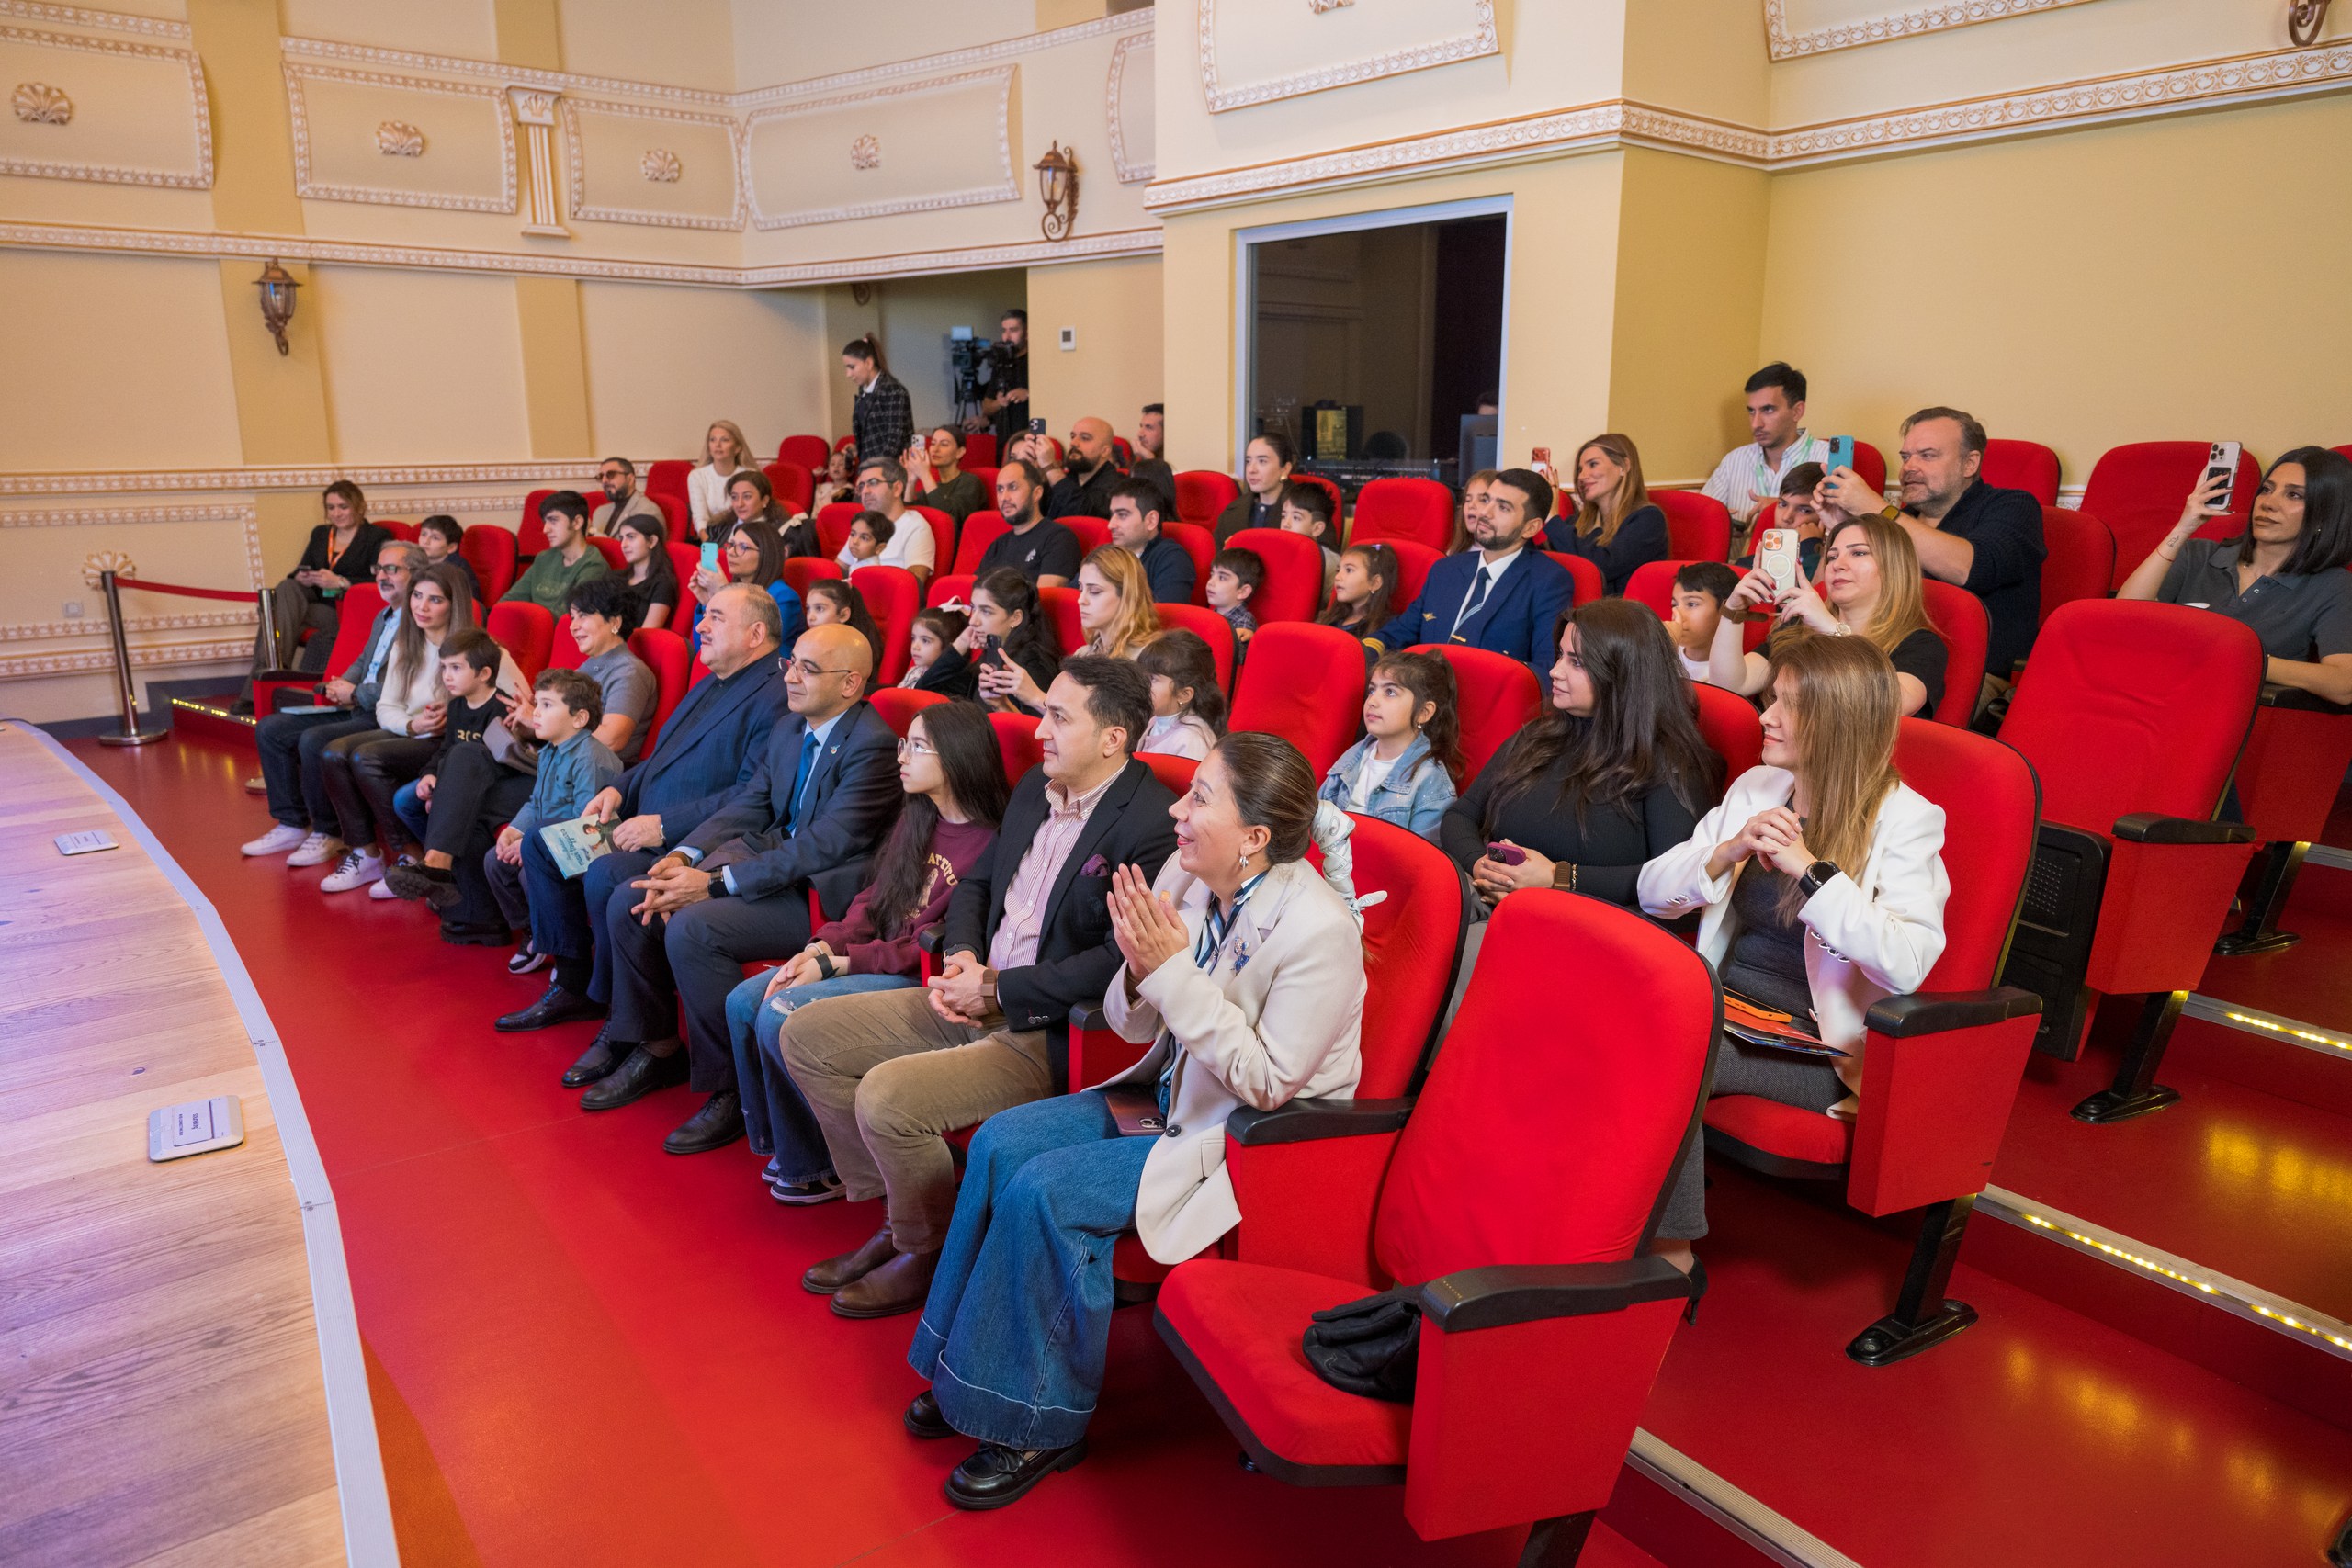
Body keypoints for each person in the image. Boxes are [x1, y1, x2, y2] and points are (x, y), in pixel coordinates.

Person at [900, 733, 1365, 1508]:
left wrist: (1172, 971)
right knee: (1001, 1143)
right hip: (1171, 1096)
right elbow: (1129, 1021)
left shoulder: (1318, 930)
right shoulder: (1189, 877)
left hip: (1241, 1139)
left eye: (1200, 798)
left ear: (1254, 836)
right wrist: (1140, 963)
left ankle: (1040, 1422)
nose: (1177, 811)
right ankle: (966, 1372)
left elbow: (1269, 1082)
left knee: (1048, 1191)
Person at [782, 659, 1178, 1318]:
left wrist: (999, 990)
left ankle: (926, 1247)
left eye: (1058, 717)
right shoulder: (1037, 786)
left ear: (1112, 738)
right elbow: (978, 886)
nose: (1039, 730)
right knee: (807, 1036)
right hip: (973, 989)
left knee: (887, 1097)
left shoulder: (1151, 822)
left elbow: (1120, 961)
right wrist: (964, 956)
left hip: (1044, 1026)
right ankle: (900, 1217)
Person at [1641, 635, 1949, 1264]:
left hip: (1815, 1047)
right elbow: (1652, 892)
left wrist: (1811, 871)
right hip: (1724, 1006)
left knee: (1672, 1048)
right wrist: (1725, 852)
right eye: (1771, 699)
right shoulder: (1759, 786)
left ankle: (1671, 1257)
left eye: (1788, 705)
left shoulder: (1908, 819)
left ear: (1837, 721)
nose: (1766, 717)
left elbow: (1907, 962)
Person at [587, 623, 903, 1152]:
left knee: (693, 928)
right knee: (636, 896)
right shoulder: (790, 726)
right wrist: (683, 855)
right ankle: (657, 1046)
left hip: (821, 897)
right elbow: (752, 803)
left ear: (850, 683)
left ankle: (733, 1088)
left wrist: (713, 883)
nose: (791, 677)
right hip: (770, 864)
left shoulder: (872, 746)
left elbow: (823, 846)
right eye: (791, 664)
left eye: (808, 669)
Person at [726, 702, 1010, 1204]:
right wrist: (823, 945)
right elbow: (874, 900)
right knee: (743, 1002)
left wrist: (841, 963)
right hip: (868, 956)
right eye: (904, 743)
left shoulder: (990, 843)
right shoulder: (918, 815)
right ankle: (797, 1149)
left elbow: (930, 944)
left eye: (917, 746)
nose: (902, 756)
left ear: (957, 757)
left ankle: (824, 1165)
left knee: (779, 1011)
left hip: (912, 974)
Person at [496, 583, 788, 1071]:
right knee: (542, 843)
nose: (700, 626)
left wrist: (665, 826)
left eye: (716, 617)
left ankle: (632, 1026)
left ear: (756, 633)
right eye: (704, 615)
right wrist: (620, 788)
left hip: (695, 841)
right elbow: (661, 757)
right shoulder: (714, 678)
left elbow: (750, 795)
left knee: (610, 877)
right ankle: (573, 984)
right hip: (642, 822)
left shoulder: (775, 695)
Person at [1441, 599, 1720, 912]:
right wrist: (1480, 865)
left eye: (1576, 662)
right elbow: (1460, 816)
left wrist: (1557, 878)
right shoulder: (1539, 736)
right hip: (1495, 909)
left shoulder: (1670, 765)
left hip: (1582, 927)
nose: (1554, 671)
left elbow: (1674, 883)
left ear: (1621, 674)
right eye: (1561, 655)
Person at [315, 565, 520, 897]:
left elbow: (519, 706)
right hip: (414, 733)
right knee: (332, 752)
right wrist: (413, 725)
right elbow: (386, 707)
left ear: (454, 605)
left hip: (452, 742)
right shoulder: (405, 643)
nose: (421, 606)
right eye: (417, 596)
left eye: (434, 599)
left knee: (366, 757)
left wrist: (451, 715)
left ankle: (410, 855)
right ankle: (365, 854)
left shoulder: (485, 651)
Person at [1819, 406, 2044, 683]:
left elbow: (1969, 568)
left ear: (1969, 463)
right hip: (1883, 662)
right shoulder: (1900, 518)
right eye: (1906, 457)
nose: (1909, 467)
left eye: (1927, 455)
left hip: (1970, 678)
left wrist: (1876, 507)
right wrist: (1836, 531)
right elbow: (1827, 597)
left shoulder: (2013, 506)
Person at [2118, 446, 2352, 705]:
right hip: (2149, 695)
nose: (2268, 503)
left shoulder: (2332, 584)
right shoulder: (2198, 554)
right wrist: (2184, 527)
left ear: (2324, 515)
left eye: (2294, 495)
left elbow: (2344, 683)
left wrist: (2242, 659)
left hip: (2226, 711)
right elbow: (2122, 620)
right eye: (2266, 489)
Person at [242, 543, 421, 863]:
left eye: (391, 569)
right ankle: (291, 823)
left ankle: (328, 832)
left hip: (386, 714)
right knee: (271, 728)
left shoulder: (420, 621)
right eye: (378, 569)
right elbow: (365, 660)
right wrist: (342, 683)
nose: (382, 576)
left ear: (417, 574)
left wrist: (356, 693)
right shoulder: (384, 616)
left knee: (314, 739)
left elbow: (407, 684)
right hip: (360, 707)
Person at [1711, 513, 1947, 719]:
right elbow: (1732, 684)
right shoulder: (1797, 627)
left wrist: (1832, 629)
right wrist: (1733, 611)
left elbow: (1895, 705)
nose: (1837, 564)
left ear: (1894, 566)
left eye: (1858, 553)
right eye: (1832, 556)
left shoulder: (1920, 644)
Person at [382, 627, 537, 935]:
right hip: (463, 785)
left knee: (468, 762)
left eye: (456, 668)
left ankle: (437, 866)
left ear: (484, 674)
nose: (447, 676)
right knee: (411, 799)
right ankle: (465, 906)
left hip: (501, 785)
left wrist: (446, 793)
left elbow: (512, 761)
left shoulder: (503, 708)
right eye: (444, 667)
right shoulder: (455, 707)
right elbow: (444, 752)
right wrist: (431, 776)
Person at [481, 670, 627, 964]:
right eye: (537, 703)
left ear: (579, 719)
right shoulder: (550, 751)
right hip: (549, 838)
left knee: (529, 873)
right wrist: (515, 831)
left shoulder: (589, 757)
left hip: (588, 846)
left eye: (547, 705)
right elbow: (536, 803)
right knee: (494, 860)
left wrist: (531, 846)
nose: (535, 712)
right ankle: (535, 932)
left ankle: (565, 942)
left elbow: (583, 822)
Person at [1379, 468, 1573, 673]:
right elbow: (1399, 633)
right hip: (1423, 686)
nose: (1484, 513)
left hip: (1488, 690)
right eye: (1486, 500)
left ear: (1530, 528)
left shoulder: (1548, 581)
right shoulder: (1445, 569)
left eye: (1503, 508)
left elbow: (1546, 669)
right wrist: (1364, 651)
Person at [244, 480, 392, 701]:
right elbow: (300, 568)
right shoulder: (321, 533)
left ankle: (262, 684)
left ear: (358, 506)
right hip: (312, 602)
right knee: (287, 588)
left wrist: (341, 581)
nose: (336, 513)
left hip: (342, 609)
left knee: (275, 618)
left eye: (343, 507)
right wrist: (302, 576)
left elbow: (380, 578)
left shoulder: (376, 536)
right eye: (331, 508)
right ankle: (271, 675)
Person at [1317, 649, 1461, 839]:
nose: (1372, 701)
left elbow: (1423, 853)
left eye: (1390, 692)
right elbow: (1317, 818)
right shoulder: (1353, 756)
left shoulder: (1430, 779)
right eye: (1372, 690)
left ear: (1423, 712)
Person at [1700, 363, 1828, 530]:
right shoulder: (1734, 460)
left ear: (1797, 411)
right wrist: (1721, 526)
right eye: (1752, 411)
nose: (1756, 424)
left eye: (1768, 410)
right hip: (1742, 548)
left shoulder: (1828, 460)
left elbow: (1841, 528)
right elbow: (1701, 517)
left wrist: (1776, 507)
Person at [1544, 434, 1668, 597]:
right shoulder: (1577, 523)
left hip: (1621, 611)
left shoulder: (1648, 519)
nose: (1581, 476)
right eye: (1580, 469)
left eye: (1593, 464)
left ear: (1623, 466)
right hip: (1575, 608)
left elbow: (1601, 566)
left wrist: (1552, 520)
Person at [553, 574, 659, 763]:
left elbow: (612, 739)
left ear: (615, 622)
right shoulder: (589, 666)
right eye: (573, 618)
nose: (573, 627)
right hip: (568, 763)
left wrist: (552, 724)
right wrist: (530, 720)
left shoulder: (629, 671)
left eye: (583, 616)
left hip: (598, 773)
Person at [690, 515, 804, 651]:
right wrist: (707, 603)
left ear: (766, 554)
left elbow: (755, 648)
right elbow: (702, 648)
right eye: (731, 545)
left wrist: (723, 594)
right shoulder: (736, 589)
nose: (731, 552)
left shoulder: (784, 597)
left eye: (743, 547)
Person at [964, 569, 1063, 716]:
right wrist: (962, 643)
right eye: (973, 608)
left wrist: (1002, 705)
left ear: (1016, 618)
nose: (973, 621)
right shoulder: (994, 650)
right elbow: (938, 688)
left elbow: (1035, 727)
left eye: (986, 611)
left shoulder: (1033, 665)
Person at [973, 460, 1080, 588]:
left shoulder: (1059, 538)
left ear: (1037, 493)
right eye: (1000, 489)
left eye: (1013, 487)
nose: (1004, 497)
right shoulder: (998, 544)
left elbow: (1046, 596)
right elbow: (976, 592)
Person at [503, 491, 611, 614]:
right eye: (545, 522)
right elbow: (510, 599)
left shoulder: (594, 566)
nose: (545, 529)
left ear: (577, 522)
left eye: (553, 520)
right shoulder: (543, 558)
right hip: (532, 623)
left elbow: (569, 616)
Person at [839, 457, 936, 581]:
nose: (865, 491)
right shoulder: (863, 524)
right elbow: (839, 568)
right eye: (862, 485)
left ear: (897, 489)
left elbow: (913, 584)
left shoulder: (916, 527)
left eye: (873, 483)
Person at [1134, 629, 1227, 761]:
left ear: (1184, 694)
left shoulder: (1190, 741)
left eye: (1152, 679)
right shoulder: (1154, 720)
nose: (1141, 684)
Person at [1104, 476, 1195, 604]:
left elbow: (1165, 613)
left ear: (1151, 520)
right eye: (1112, 515)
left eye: (1122, 515)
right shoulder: (1106, 555)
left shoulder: (1172, 559)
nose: (1111, 525)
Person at [1735, 461, 1828, 581]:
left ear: (1827, 517)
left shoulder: (1832, 567)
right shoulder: (1747, 565)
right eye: (1782, 504)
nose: (1786, 517)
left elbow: (1810, 590)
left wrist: (1810, 546)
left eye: (1805, 510)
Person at [1020, 418, 1122, 522]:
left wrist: (1049, 466)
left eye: (1085, 438)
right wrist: (1026, 467)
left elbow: (1083, 517)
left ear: (1105, 451)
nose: (1073, 443)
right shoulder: (1070, 477)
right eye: (1073, 436)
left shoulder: (1117, 487)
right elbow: (1028, 510)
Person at [845, 336, 913, 474]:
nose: (848, 374)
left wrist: (875, 471)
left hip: (890, 473)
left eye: (852, 367)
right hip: (871, 469)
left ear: (868, 363)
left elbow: (895, 440)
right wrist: (859, 448)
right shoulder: (864, 389)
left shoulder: (893, 390)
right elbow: (874, 433)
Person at [1214, 432, 1295, 546]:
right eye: (1248, 461)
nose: (1251, 470)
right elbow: (1217, 555)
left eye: (1262, 461)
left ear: (1285, 469)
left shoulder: (1304, 510)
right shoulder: (1233, 511)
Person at [1318, 541, 1401, 648]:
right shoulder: (1330, 618)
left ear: (1375, 583)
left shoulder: (1385, 629)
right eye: (1338, 570)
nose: (1337, 577)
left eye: (1349, 570)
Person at [1668, 561, 1739, 685]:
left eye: (1691, 604)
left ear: (1725, 610)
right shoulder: (1665, 654)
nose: (1677, 615)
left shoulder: (1730, 675)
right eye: (1675, 605)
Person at [724, 468, 820, 559]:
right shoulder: (721, 528)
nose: (739, 504)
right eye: (734, 497)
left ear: (765, 500)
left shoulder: (783, 533)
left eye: (747, 497)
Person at [902, 426, 989, 526]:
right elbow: (909, 517)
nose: (935, 449)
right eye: (933, 443)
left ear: (960, 452)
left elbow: (949, 518)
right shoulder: (932, 487)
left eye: (944, 444)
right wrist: (911, 482)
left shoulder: (970, 482)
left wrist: (925, 475)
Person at [973, 308, 1029, 449]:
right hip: (1003, 442)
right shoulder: (1000, 364)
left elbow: (1055, 396)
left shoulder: (1035, 360)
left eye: (1013, 330)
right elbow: (986, 407)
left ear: (1027, 333)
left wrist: (1028, 394)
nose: (1007, 336)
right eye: (1004, 331)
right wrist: (999, 403)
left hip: (1028, 440)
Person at [803, 578, 885, 674]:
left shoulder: (851, 651)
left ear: (844, 615)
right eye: (808, 608)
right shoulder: (812, 642)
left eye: (819, 609)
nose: (810, 617)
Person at [614, 513, 679, 632]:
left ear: (652, 541)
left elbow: (647, 634)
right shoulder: (616, 577)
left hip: (632, 643)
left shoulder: (662, 585)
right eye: (621, 538)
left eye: (631, 537)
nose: (623, 545)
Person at [688, 421, 754, 539]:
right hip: (712, 537)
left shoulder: (751, 475)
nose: (717, 445)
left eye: (725, 440)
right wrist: (710, 545)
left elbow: (755, 516)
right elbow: (701, 519)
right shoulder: (697, 476)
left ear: (737, 448)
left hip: (746, 536)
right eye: (713, 440)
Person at [1279, 479, 1342, 601]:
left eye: (1296, 518)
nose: (1286, 524)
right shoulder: (1274, 552)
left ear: (1317, 528)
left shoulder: (1331, 563)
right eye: (1283, 516)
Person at [899, 607, 976, 698]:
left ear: (948, 647)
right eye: (913, 638)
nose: (915, 646)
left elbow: (920, 691)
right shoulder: (915, 671)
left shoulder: (952, 681)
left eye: (925, 641)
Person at [591, 457, 663, 536]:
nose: (604, 481)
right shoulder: (599, 512)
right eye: (601, 476)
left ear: (630, 479)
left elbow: (638, 545)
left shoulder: (647, 511)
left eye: (611, 474)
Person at [1205, 548, 1261, 642]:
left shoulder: (1243, 623)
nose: (1210, 582)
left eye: (1222, 578)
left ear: (1242, 592)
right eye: (1212, 575)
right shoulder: (1211, 615)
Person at [415, 514, 478, 597]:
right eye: (423, 534)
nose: (426, 541)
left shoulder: (457, 568)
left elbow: (465, 599)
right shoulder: (415, 560)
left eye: (435, 538)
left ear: (451, 547)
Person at [842, 511, 896, 575]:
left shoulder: (870, 572)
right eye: (853, 534)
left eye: (864, 538)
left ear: (879, 548)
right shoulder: (859, 565)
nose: (855, 541)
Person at [811, 446, 856, 513]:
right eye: (832, 464)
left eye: (841, 464)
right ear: (828, 470)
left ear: (850, 472)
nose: (836, 466)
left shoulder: (849, 491)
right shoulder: (823, 487)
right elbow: (807, 489)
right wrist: (812, 474)